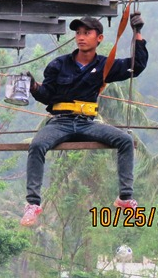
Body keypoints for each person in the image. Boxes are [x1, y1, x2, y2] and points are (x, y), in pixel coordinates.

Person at [20, 13, 147, 227]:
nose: (81, 37)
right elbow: (47, 96)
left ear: (99, 38)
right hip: (60, 122)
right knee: (38, 145)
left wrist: (137, 34)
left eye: (87, 33)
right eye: (78, 33)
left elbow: (137, 66)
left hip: (88, 123)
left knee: (125, 140)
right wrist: (34, 87)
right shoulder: (58, 65)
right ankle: (33, 204)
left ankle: (124, 198)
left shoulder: (105, 66)